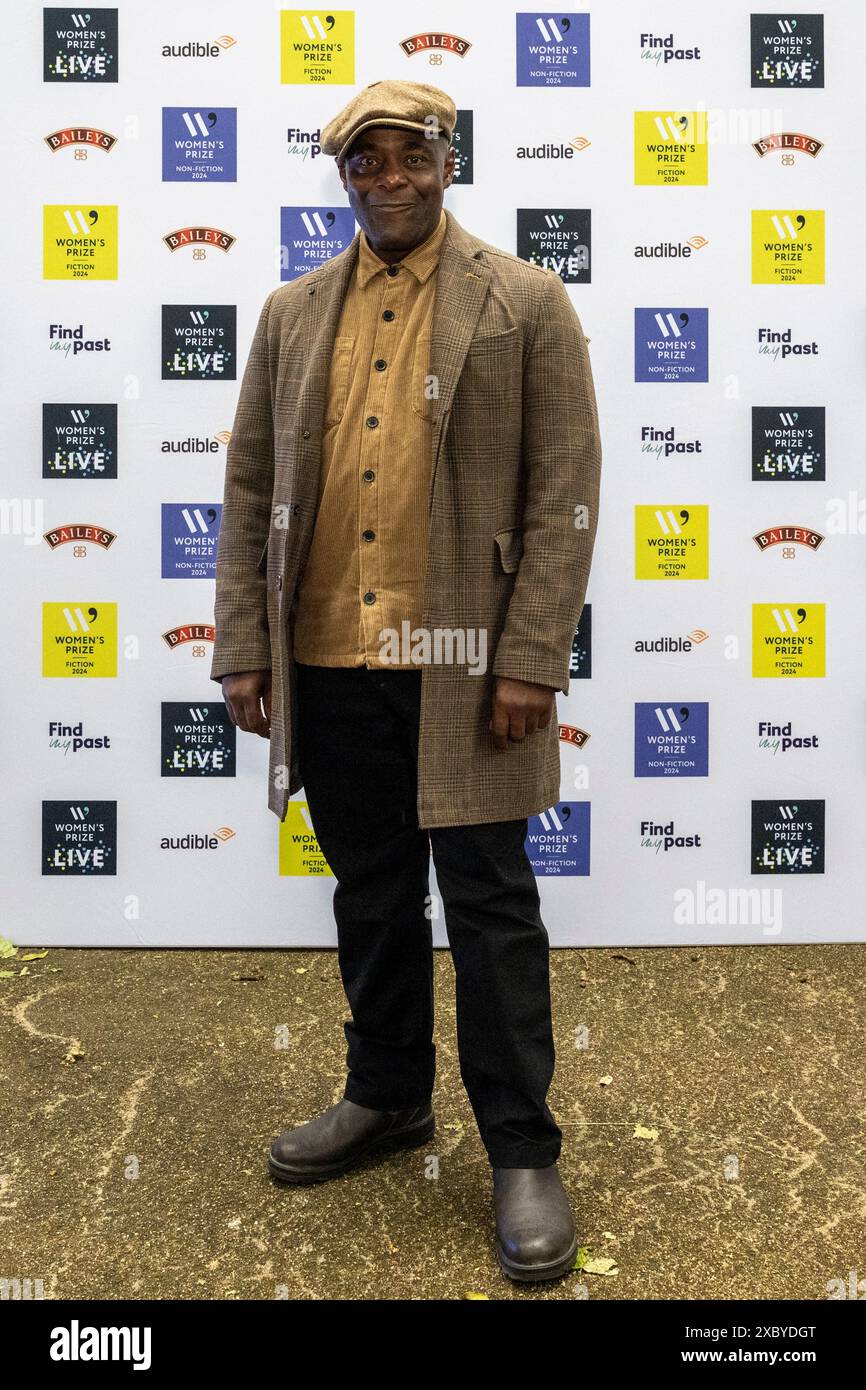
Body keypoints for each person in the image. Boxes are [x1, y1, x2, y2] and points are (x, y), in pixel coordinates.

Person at [210, 78, 602, 1283]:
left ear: (447, 162)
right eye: (362, 161)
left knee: (487, 910)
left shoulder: (524, 300)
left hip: (464, 669)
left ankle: (521, 1152)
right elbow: (243, 489)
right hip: (327, 654)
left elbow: (563, 489)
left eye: (408, 155)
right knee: (371, 898)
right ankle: (385, 1097)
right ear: (344, 178)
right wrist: (241, 642)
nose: (387, 177)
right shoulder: (290, 312)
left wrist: (531, 655)